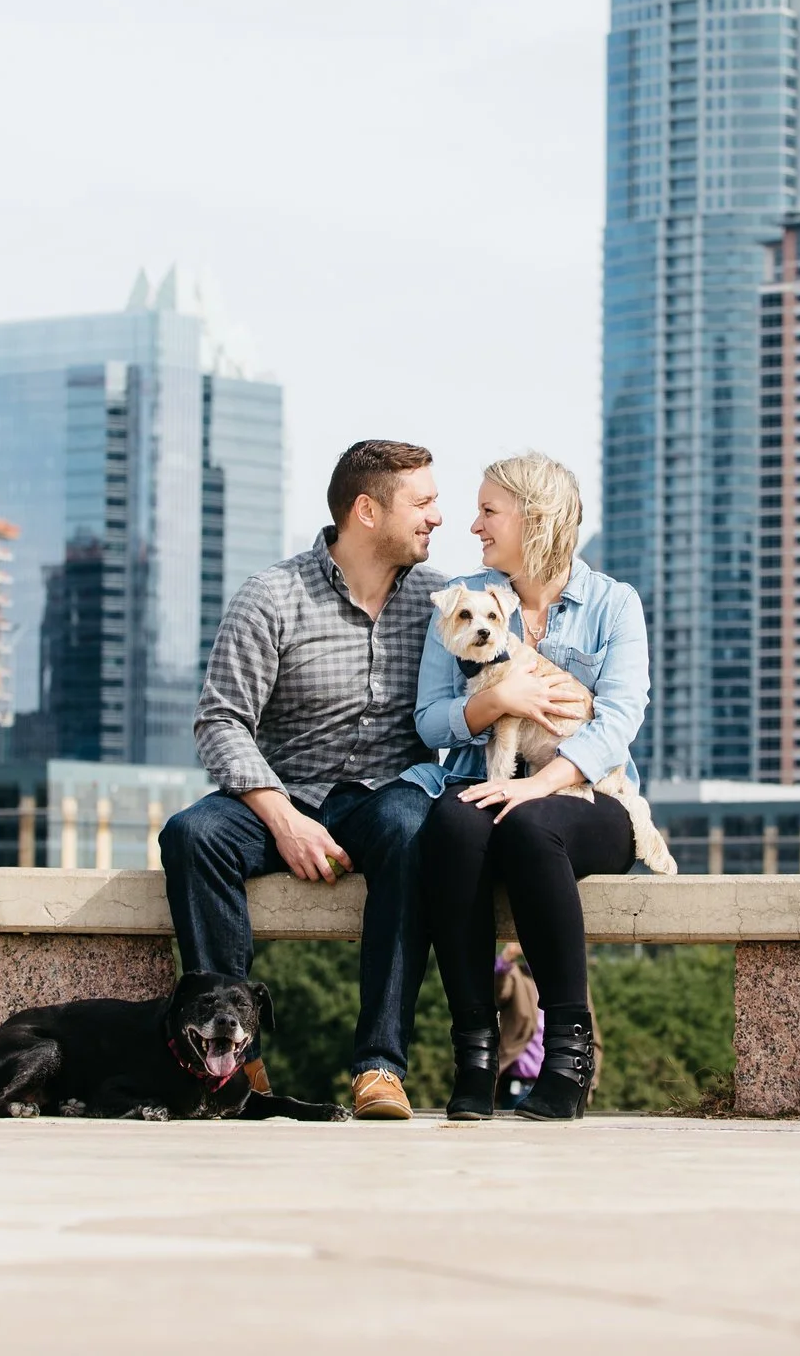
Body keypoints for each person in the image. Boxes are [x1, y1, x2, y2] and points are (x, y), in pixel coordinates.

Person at [159, 439, 447, 1120]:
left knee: (414, 828)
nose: (438, 516)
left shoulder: (445, 604)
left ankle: (380, 1065)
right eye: (424, 502)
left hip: (388, 794)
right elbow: (221, 721)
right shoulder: (272, 595)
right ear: (367, 510)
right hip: (284, 793)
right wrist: (284, 820)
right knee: (191, 835)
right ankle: (234, 1065)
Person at [409, 452, 647, 1122]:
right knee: (453, 824)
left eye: (489, 510)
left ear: (534, 520)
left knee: (530, 823)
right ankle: (476, 1054)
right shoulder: (462, 598)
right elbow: (430, 717)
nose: (474, 523)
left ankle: (569, 1054)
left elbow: (621, 719)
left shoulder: (612, 604)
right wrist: (496, 699)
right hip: (485, 779)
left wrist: (540, 781)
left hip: (591, 794)